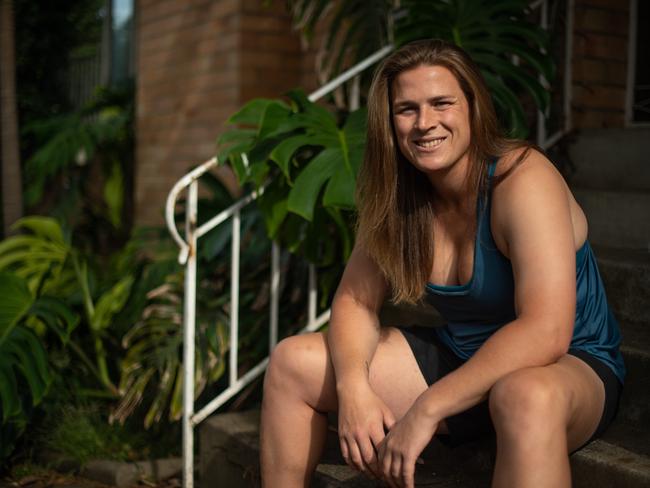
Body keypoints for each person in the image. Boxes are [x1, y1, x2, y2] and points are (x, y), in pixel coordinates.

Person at [259, 39, 625, 488]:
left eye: (441, 103)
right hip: (461, 357)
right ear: (389, 121)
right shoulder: (398, 198)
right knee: (292, 362)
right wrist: (353, 387)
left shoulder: (522, 178)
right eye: (406, 109)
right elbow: (356, 301)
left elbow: (546, 331)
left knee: (523, 394)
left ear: (472, 106)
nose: (424, 122)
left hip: (568, 366)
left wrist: (427, 408)